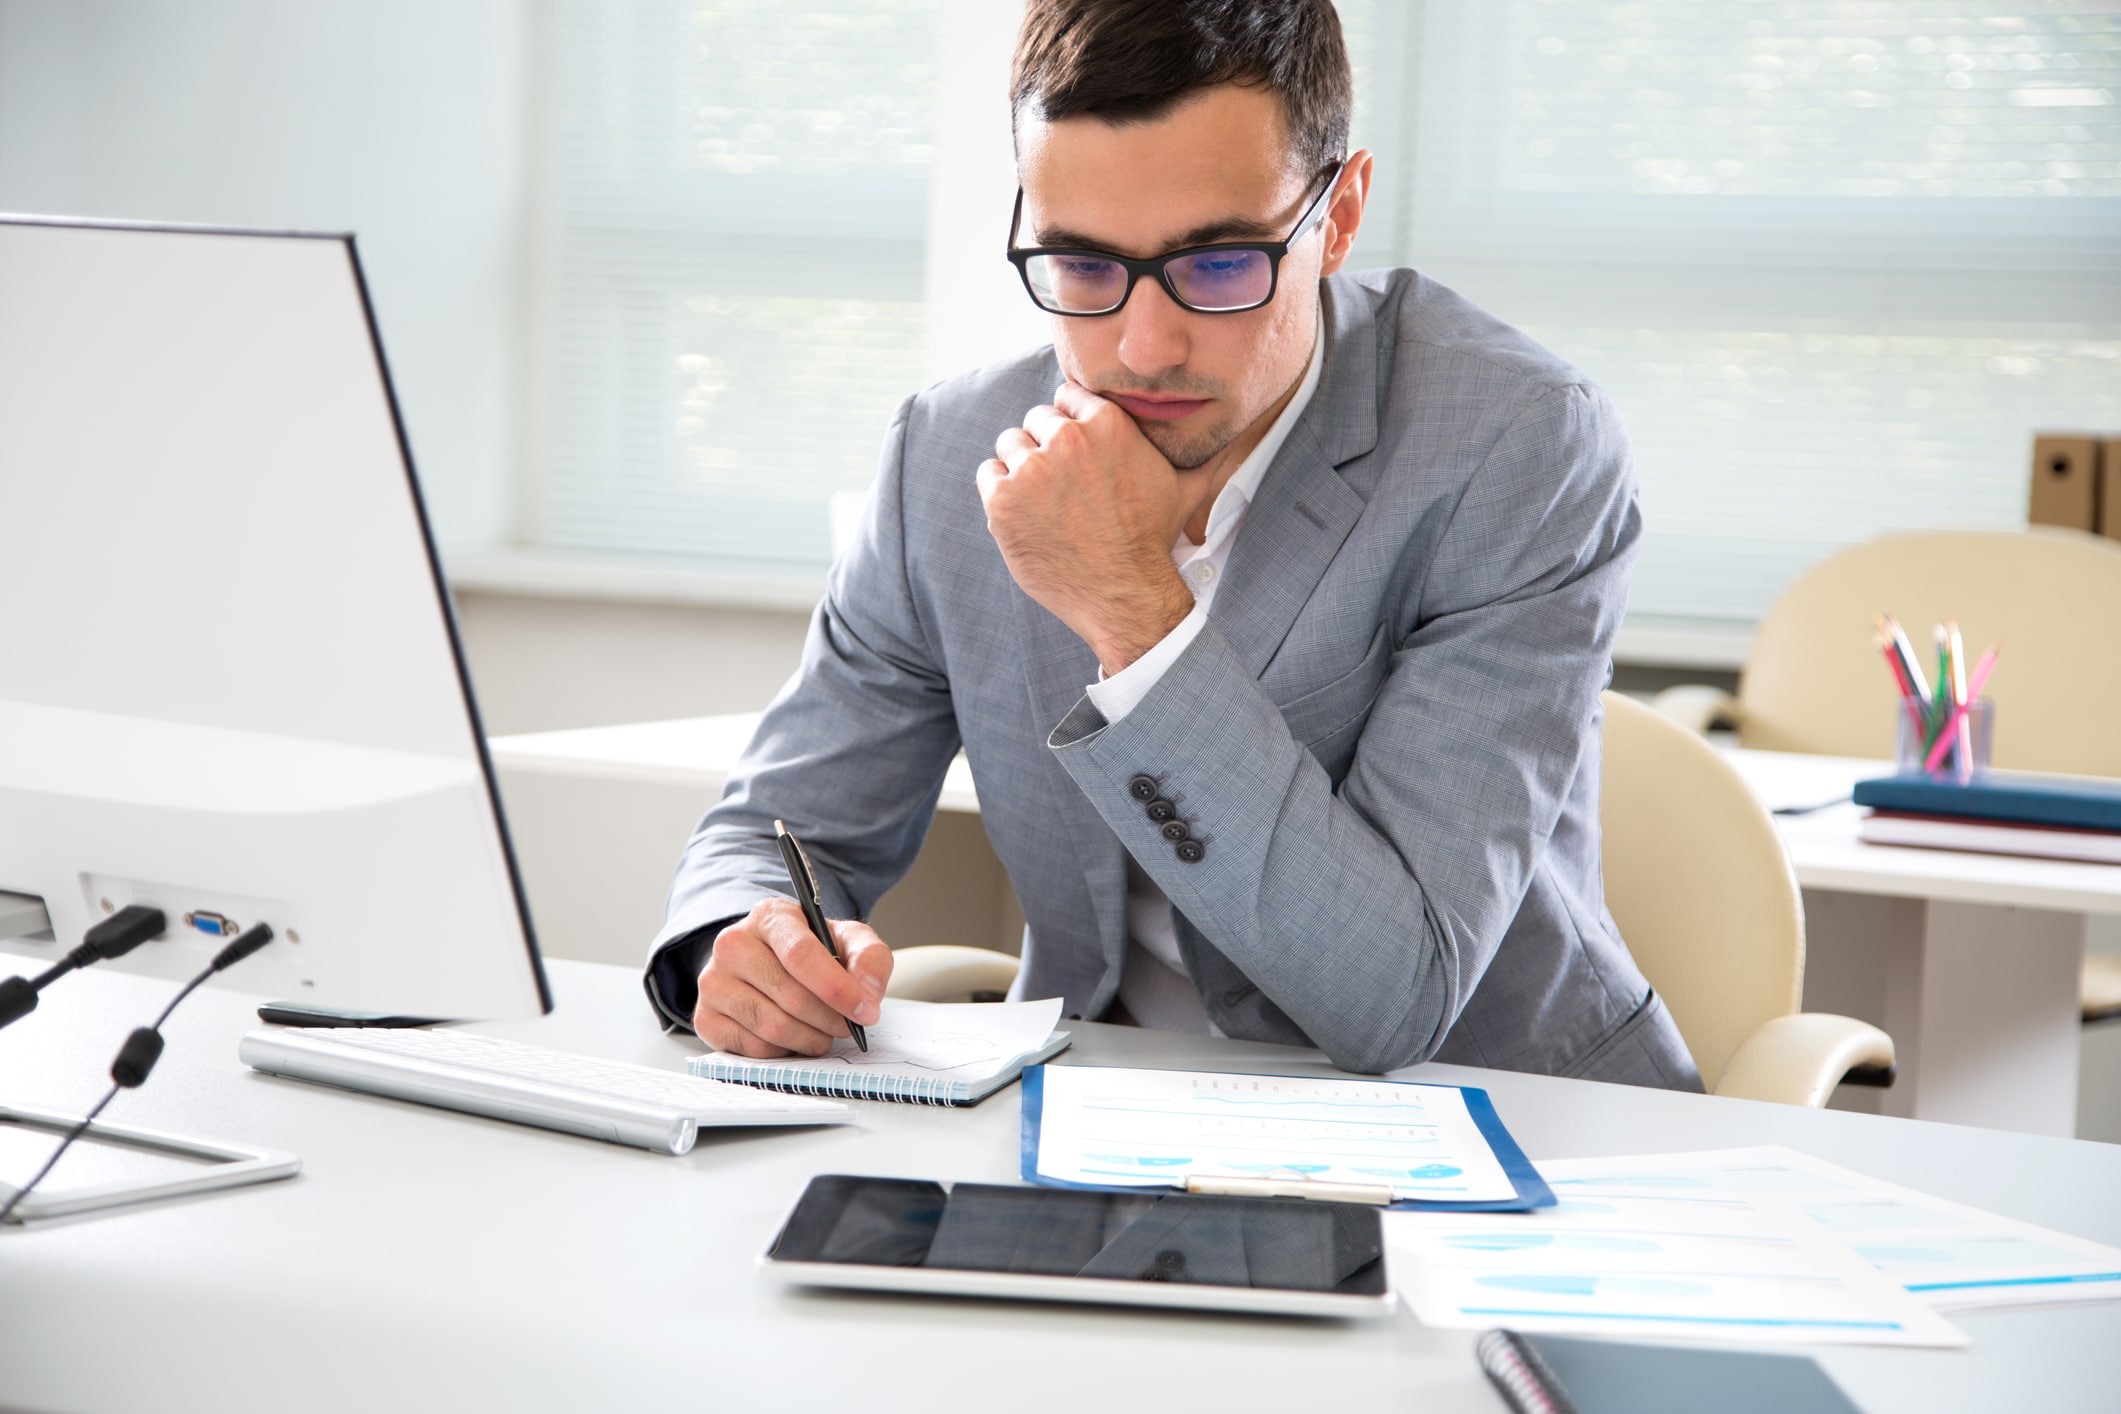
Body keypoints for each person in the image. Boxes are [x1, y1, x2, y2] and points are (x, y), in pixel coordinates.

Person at [643, 0, 1700, 1090]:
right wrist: (738, 943)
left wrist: (1130, 609)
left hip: (1511, 1127)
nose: (1142, 348)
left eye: (1218, 264)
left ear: (1337, 217)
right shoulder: (943, 454)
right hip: (1105, 1117)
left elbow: (1398, 996)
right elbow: (782, 825)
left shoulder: (1514, 445)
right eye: (1085, 266)